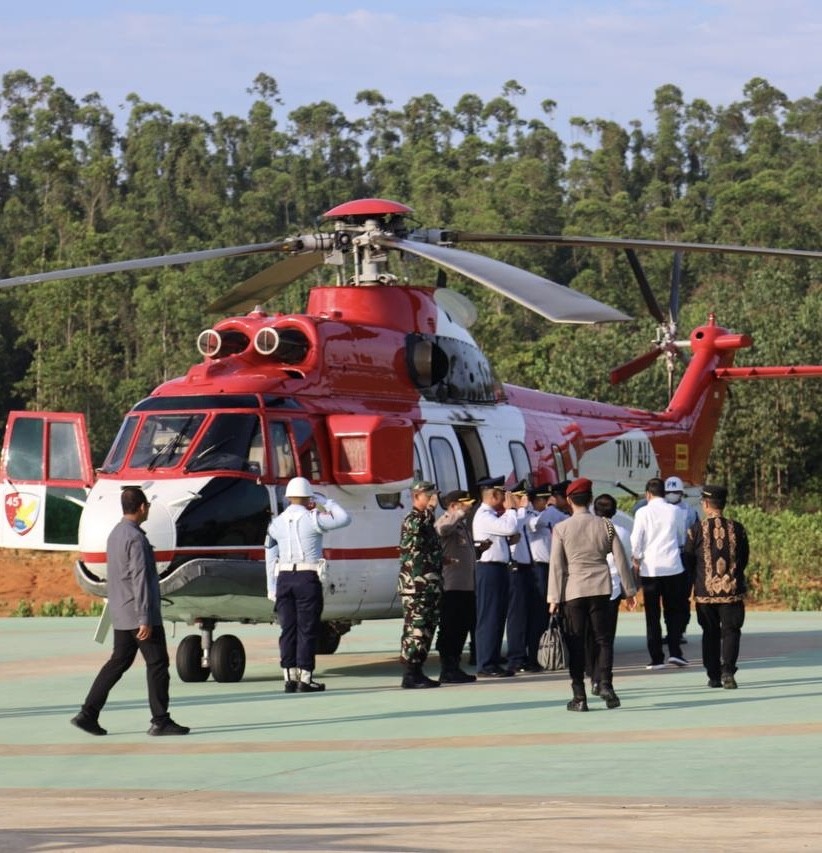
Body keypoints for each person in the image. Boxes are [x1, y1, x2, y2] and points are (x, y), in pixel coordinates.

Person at [71, 486, 189, 736]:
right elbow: (141, 579)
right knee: (157, 663)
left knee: (118, 662)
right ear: (142, 507)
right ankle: (160, 720)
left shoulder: (115, 534)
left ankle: (88, 713)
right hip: (139, 613)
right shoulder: (136, 538)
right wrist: (145, 617)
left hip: (122, 612)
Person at [548, 478, 637, 711]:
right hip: (601, 589)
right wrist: (629, 591)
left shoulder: (561, 528)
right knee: (603, 640)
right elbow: (620, 559)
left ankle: (579, 697)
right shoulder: (606, 526)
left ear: (569, 501)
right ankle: (606, 684)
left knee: (576, 642)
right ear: (590, 499)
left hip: (573, 590)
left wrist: (553, 598)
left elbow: (556, 566)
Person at [265, 476, 351, 693]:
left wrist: (271, 585)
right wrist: (326, 501)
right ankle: (305, 678)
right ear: (308, 497)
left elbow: (269, 551)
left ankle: (289, 677)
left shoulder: (277, 522)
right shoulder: (314, 518)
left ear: (288, 498)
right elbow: (344, 518)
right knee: (307, 628)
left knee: (288, 629)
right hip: (307, 577)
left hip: (284, 578)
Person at [682, 484, 750, 689]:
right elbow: (744, 558)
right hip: (732, 591)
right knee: (731, 631)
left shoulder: (695, 530)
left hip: (705, 593)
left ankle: (713, 675)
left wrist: (695, 582)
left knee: (709, 633)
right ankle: (728, 671)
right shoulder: (738, 529)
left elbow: (688, 560)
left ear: (705, 504)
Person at [631, 477, 689, 670]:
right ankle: (675, 652)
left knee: (652, 615)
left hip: (651, 570)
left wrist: (637, 559)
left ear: (648, 494)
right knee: (673, 612)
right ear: (664, 493)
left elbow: (636, 540)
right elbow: (681, 537)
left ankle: (656, 658)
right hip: (673, 567)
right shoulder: (676, 511)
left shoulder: (642, 512)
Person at [398, 479, 444, 688]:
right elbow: (418, 529)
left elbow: (424, 549)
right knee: (416, 628)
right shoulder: (413, 519)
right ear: (416, 497)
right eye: (428, 496)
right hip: (415, 586)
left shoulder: (426, 520)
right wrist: (431, 508)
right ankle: (411, 673)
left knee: (426, 627)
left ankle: (418, 669)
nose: (432, 500)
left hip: (429, 584)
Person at [472, 476, 518, 678]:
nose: (504, 498)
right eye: (502, 494)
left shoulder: (491, 516)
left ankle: (492, 658)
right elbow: (509, 527)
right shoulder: (484, 515)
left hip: (498, 568)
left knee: (497, 616)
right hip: (488, 569)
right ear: (493, 495)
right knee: (489, 617)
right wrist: (512, 510)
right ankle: (485, 663)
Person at [585, 494, 632, 695]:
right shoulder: (621, 531)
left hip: (586, 588)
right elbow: (625, 562)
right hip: (611, 589)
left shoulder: (586, 529)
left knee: (589, 636)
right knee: (605, 638)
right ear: (614, 512)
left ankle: (592, 675)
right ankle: (603, 678)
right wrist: (629, 590)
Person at [434, 489, 478, 684]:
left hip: (466, 586)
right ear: (453, 506)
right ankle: (447, 668)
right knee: (450, 627)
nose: (468, 508)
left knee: (463, 626)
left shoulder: (461, 526)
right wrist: (458, 514)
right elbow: (441, 530)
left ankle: (455, 665)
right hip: (451, 586)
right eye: (463, 504)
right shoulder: (446, 520)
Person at [527, 481, 570, 646]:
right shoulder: (535, 514)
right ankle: (536, 646)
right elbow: (535, 524)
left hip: (551, 566)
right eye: (542, 500)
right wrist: (550, 508)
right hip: (538, 567)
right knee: (540, 609)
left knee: (549, 609)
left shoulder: (552, 513)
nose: (545, 503)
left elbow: (568, 521)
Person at [505, 481, 543, 673]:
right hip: (515, 570)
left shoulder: (525, 515)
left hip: (530, 569)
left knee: (533, 616)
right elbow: (513, 529)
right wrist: (518, 509)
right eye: (522, 496)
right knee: (517, 617)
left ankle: (531, 657)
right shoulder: (510, 517)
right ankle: (516, 657)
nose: (526, 501)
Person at [664, 475, 700, 643]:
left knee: (682, 597)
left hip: (684, 555)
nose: (672, 494)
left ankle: (681, 630)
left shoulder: (690, 511)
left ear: (681, 493)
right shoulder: (660, 509)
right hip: (666, 555)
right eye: (669, 492)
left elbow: (697, 536)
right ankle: (670, 631)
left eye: (675, 491)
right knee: (668, 597)